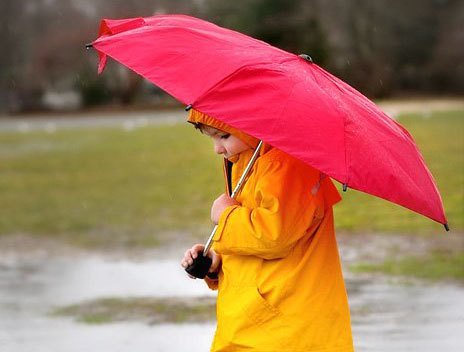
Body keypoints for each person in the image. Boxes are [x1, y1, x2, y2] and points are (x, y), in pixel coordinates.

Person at [181, 109, 354, 352]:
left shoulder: (289, 166)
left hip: (284, 329)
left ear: (249, 124)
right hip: (250, 326)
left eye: (223, 136)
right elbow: (254, 245)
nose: (217, 149)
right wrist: (216, 261)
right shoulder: (247, 162)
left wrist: (225, 216)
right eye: (212, 138)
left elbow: (274, 236)